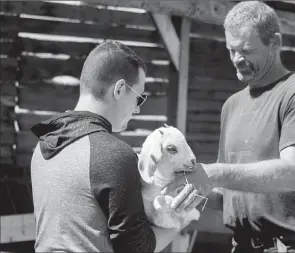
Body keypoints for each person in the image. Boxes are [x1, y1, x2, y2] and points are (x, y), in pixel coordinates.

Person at [163, 2, 295, 252]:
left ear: (275, 42)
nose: (237, 59)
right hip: (241, 245)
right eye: (231, 50)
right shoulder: (232, 105)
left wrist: (214, 173)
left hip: (290, 247)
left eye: (246, 50)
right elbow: (225, 190)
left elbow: (293, 173)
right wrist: (179, 193)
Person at [30, 40, 193, 252]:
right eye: (139, 98)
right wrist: (182, 218)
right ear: (119, 89)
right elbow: (137, 249)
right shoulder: (113, 154)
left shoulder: (44, 145)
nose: (137, 111)